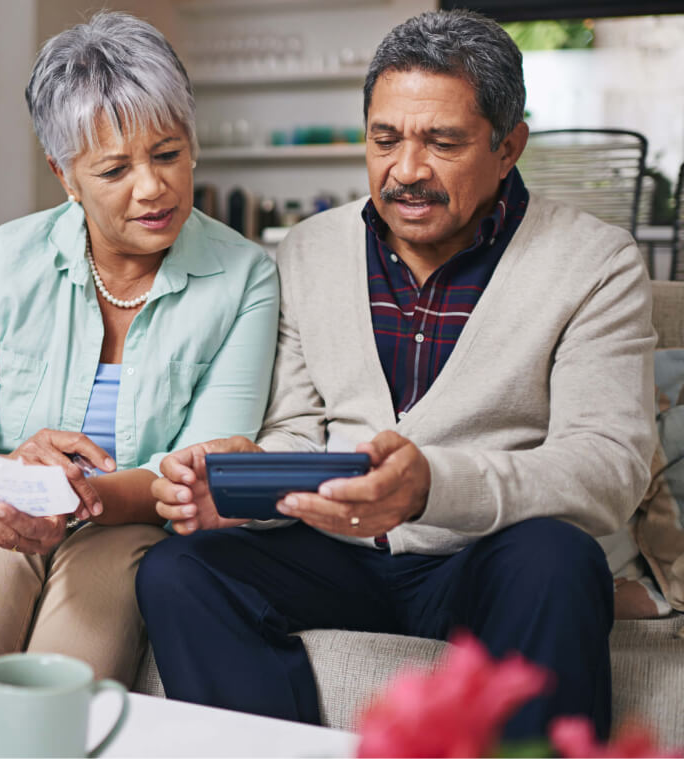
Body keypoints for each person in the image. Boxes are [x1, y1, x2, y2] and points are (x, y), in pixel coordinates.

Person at [136, 9, 655, 739]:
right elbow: (295, 430)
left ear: (509, 147)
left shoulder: (594, 262)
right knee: (180, 569)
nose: (406, 170)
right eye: (385, 140)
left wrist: (431, 486)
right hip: (338, 555)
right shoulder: (309, 249)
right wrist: (247, 485)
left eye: (442, 142)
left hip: (483, 557)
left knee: (556, 559)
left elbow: (608, 466)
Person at [0, 11, 278, 686]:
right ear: (65, 175)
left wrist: (77, 498)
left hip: (132, 519)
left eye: (167, 153)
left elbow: (199, 472)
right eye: (114, 169)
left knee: (88, 614)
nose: (152, 187)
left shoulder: (246, 277)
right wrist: (13, 480)